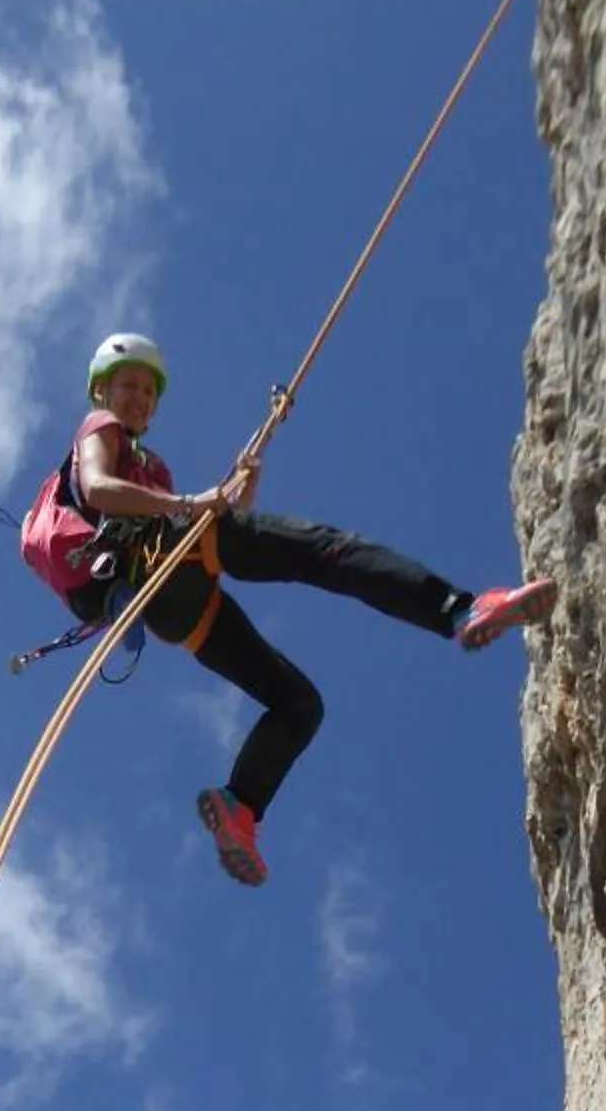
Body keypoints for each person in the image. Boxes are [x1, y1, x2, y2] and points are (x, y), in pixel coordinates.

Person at [41, 330, 555, 888]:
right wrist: (191, 504)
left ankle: (240, 806)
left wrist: (239, 491)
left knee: (299, 704)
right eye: (128, 386)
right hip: (167, 567)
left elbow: (217, 528)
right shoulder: (102, 430)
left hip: (173, 603)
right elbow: (96, 488)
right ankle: (460, 610)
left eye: (148, 390)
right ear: (101, 393)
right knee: (326, 551)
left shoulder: (151, 470)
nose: (139, 397)